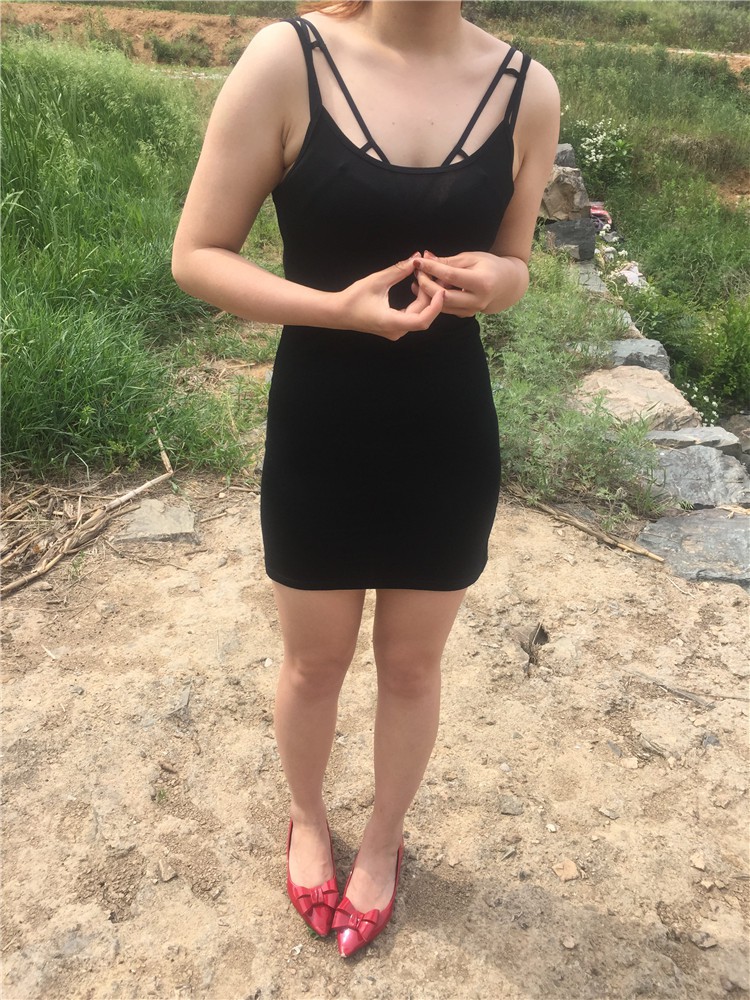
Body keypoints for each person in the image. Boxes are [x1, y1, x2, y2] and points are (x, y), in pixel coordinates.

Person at [172, 0, 560, 958]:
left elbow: (517, 263)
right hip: (321, 424)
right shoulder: (287, 61)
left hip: (447, 431)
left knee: (414, 666)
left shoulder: (528, 89)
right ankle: (308, 818)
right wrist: (334, 310)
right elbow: (198, 255)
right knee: (314, 663)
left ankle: (383, 841)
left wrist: (497, 283)